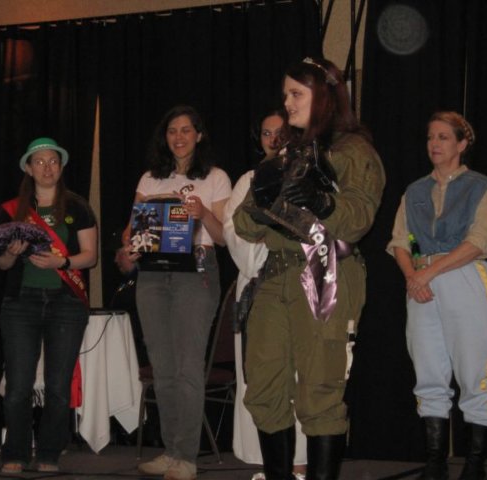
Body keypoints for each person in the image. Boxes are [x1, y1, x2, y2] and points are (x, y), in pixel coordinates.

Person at [233, 58, 385, 480]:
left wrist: (322, 202)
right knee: (263, 387)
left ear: (325, 96)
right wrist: (266, 206)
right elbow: (244, 223)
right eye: (286, 93)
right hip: (275, 275)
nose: (287, 102)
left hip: (326, 271)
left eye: (296, 93)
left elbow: (358, 219)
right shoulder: (287, 153)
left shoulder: (354, 150)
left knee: (319, 390)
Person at [386, 111, 487, 480]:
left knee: (474, 369)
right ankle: (435, 463)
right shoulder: (415, 191)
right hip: (421, 281)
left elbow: (478, 242)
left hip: (463, 275)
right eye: (430, 137)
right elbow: (402, 240)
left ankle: (474, 465)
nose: (434, 144)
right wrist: (412, 276)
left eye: (443, 137)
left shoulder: (480, 187)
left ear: (462, 144)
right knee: (428, 369)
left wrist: (429, 273)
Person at [120, 105, 231, 480]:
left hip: (196, 271)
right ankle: (170, 451)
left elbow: (223, 238)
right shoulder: (150, 179)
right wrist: (130, 247)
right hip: (153, 274)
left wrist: (203, 214)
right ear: (164, 137)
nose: (179, 137)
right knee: (163, 369)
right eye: (172, 131)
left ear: (199, 135)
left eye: (186, 130)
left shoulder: (216, 177)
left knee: (187, 368)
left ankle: (186, 457)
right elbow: (131, 231)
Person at [0, 137, 98, 473]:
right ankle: (15, 452)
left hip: (66, 304)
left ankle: (50, 453)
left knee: (57, 386)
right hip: (20, 304)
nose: (47, 167)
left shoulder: (78, 206)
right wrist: (10, 252)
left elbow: (90, 257)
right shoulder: (13, 210)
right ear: (28, 168)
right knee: (18, 386)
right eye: (39, 162)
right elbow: (2, 265)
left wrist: (61, 263)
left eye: (53, 161)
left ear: (61, 166)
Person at [223, 109, 307, 480]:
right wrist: (265, 257)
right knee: (260, 378)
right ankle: (270, 465)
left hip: (300, 285)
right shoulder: (248, 180)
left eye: (280, 132)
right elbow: (235, 231)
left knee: (300, 376)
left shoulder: (306, 175)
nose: (273, 140)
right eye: (266, 133)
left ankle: (301, 463)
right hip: (257, 285)